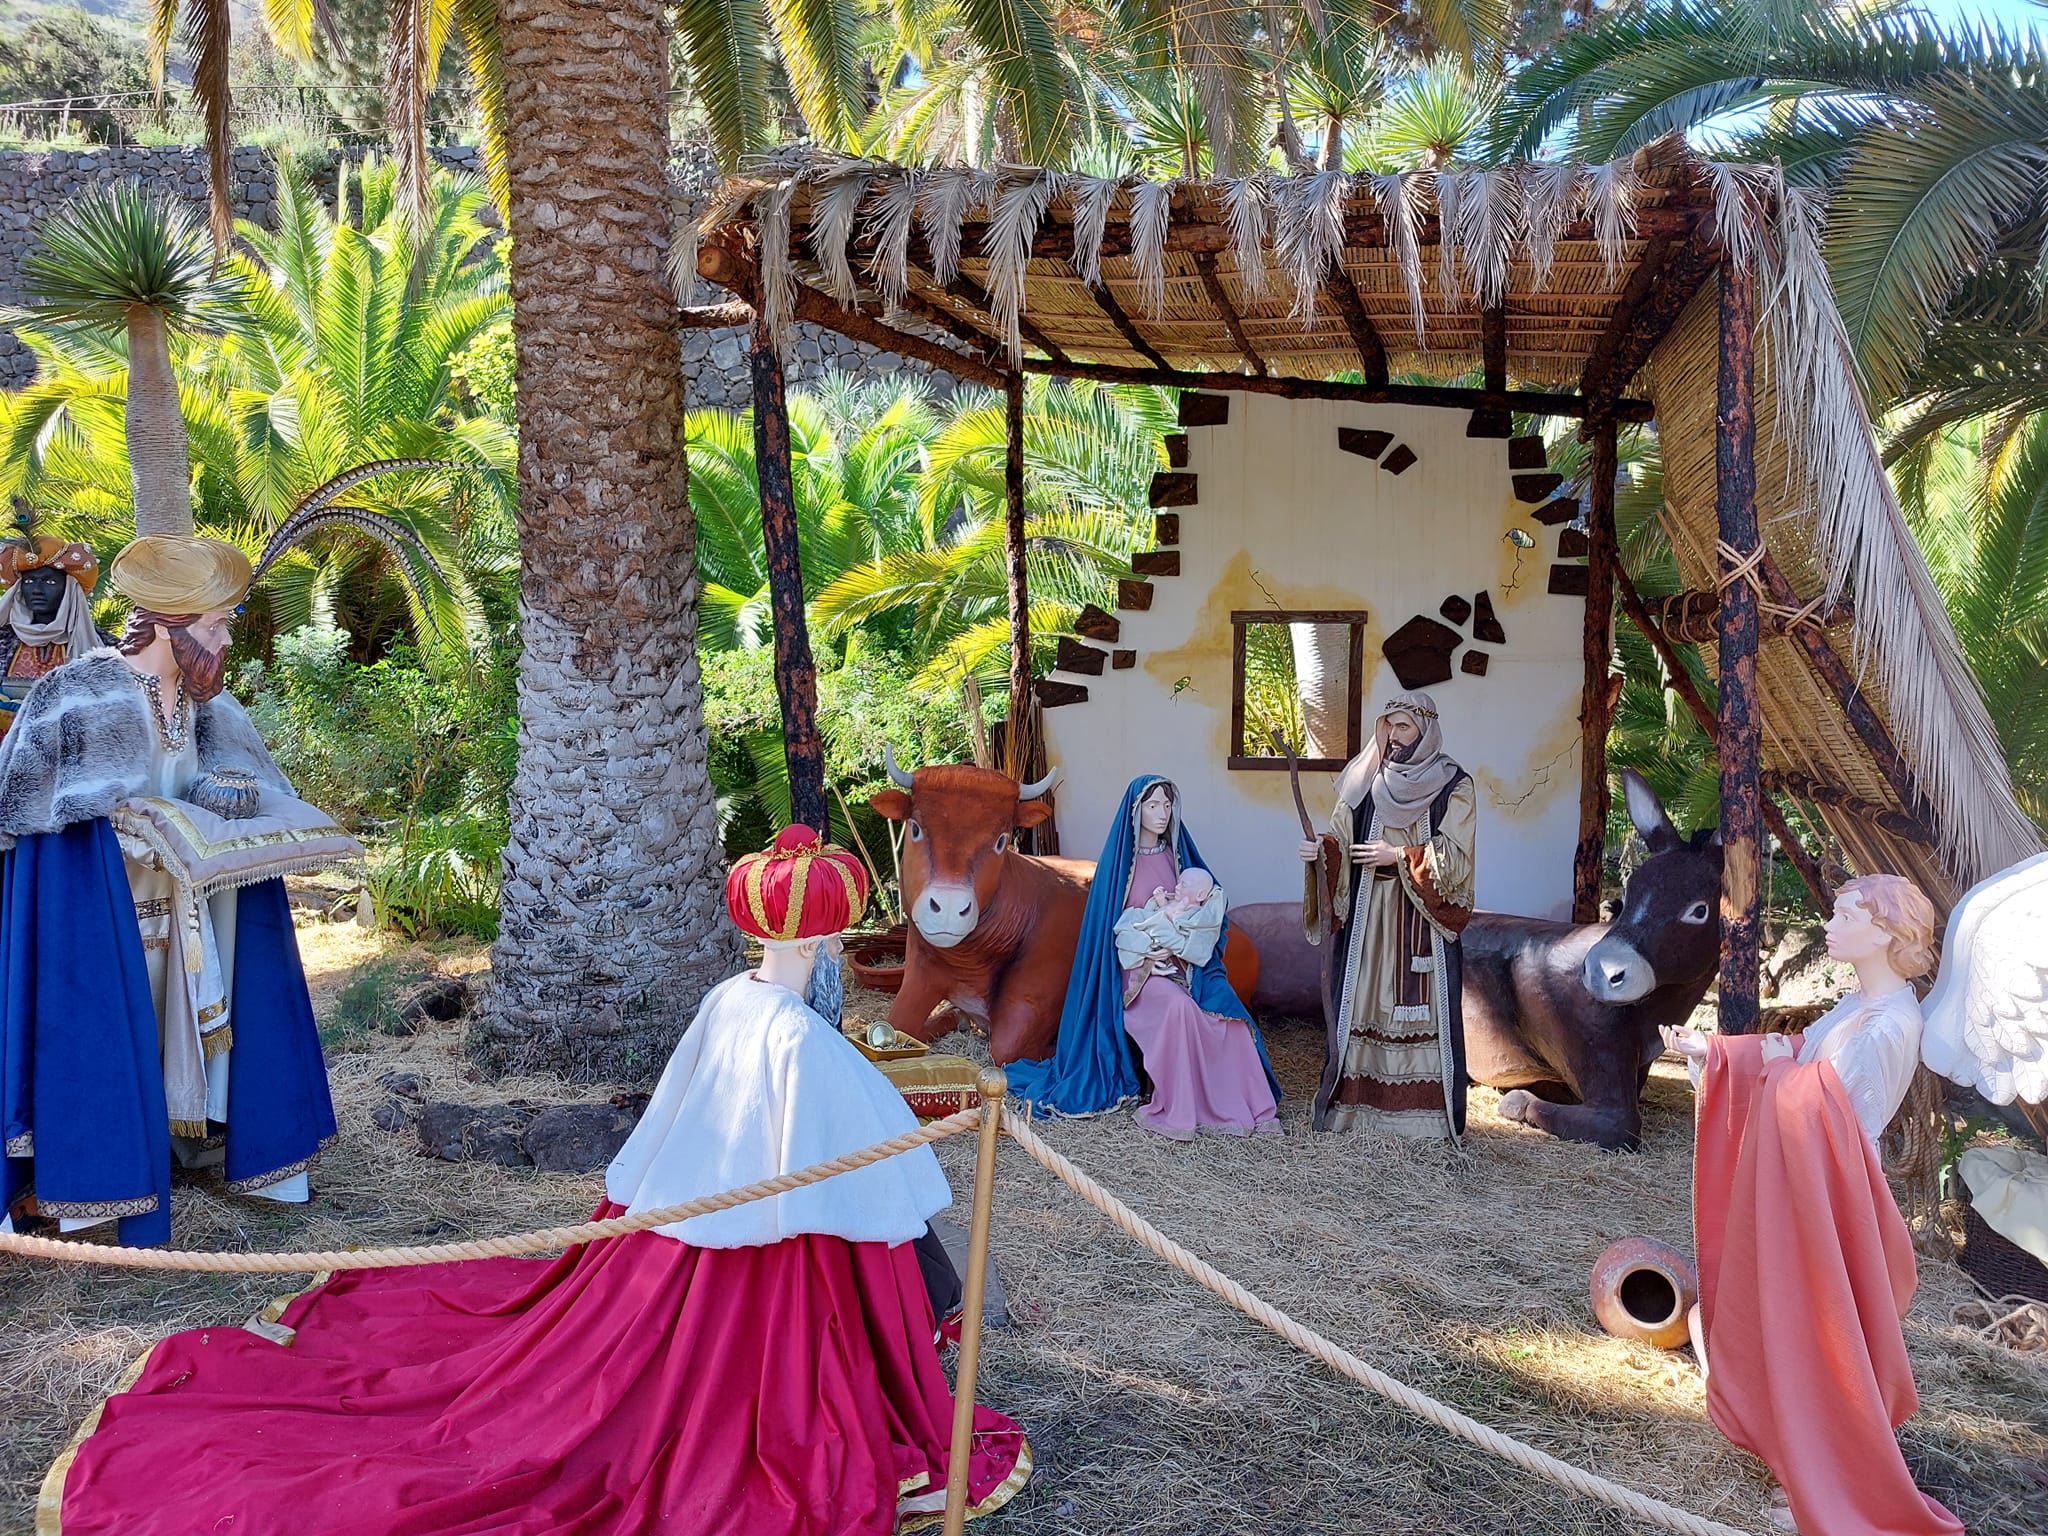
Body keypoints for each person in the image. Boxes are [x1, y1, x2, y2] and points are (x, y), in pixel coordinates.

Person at [42, 824, 1031, 1536]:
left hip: (685, 1230)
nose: (832, 953)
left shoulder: (731, 998)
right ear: (818, 943)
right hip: (763, 1269)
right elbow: (862, 1182)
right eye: (831, 939)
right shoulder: (798, 1041)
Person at [0, 534, 342, 1245]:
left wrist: (229, 789)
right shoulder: (75, 694)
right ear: (167, 625)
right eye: (216, 626)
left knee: (207, 1020)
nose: (227, 640)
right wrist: (116, 828)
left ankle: (213, 1145)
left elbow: (242, 778)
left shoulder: (207, 702)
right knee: (104, 1034)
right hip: (103, 914)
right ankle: (97, 1180)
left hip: (196, 910)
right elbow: (28, 807)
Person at [1662, 874, 1961, 1536]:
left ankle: (1827, 1475)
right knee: (1795, 1319)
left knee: (1825, 1334)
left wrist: (1777, 1071)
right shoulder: (1861, 1005)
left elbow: (1837, 1115)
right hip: (1812, 1182)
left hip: (1835, 1192)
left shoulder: (1891, 1025)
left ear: (1884, 933)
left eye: (1846, 916)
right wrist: (1712, 1050)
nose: (1829, 925)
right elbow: (1801, 1052)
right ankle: (1798, 1452)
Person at [1008, 776, 1280, 1139]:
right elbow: (1108, 932)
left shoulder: (1179, 858)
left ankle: (1255, 1109)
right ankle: (1180, 1110)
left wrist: (1182, 941)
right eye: (1153, 805)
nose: (1162, 813)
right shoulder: (1120, 866)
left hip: (1185, 966)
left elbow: (1208, 909)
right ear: (1136, 810)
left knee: (1230, 1018)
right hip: (1137, 971)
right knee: (1178, 1009)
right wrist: (1149, 949)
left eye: (1167, 805)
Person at [1299, 690, 1475, 1139]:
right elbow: (1340, 838)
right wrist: (1320, 852)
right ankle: (1354, 1112)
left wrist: (1397, 856)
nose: (1394, 735)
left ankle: (1423, 1124)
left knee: (1419, 1010)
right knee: (1359, 1002)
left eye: (1404, 726)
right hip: (1365, 917)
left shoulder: (1453, 784)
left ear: (1425, 730)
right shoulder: (1365, 778)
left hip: (1419, 922)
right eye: (1389, 725)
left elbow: (1456, 858)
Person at [0, 531, 111, 740]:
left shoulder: (104, 647)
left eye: (49, 582)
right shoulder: (3, 640)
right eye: (29, 582)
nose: (37, 590)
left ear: (69, 589)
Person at [1114, 866, 1222, 975]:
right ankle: (1143, 961)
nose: (1177, 887)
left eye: (1183, 885)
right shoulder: (1174, 901)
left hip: (1160, 936)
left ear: (1200, 895)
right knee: (1132, 919)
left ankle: (1146, 961)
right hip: (1147, 928)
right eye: (1178, 883)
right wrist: (1161, 901)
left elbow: (1184, 931)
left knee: (1151, 930)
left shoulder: (1195, 913)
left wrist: (1176, 916)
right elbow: (1162, 912)